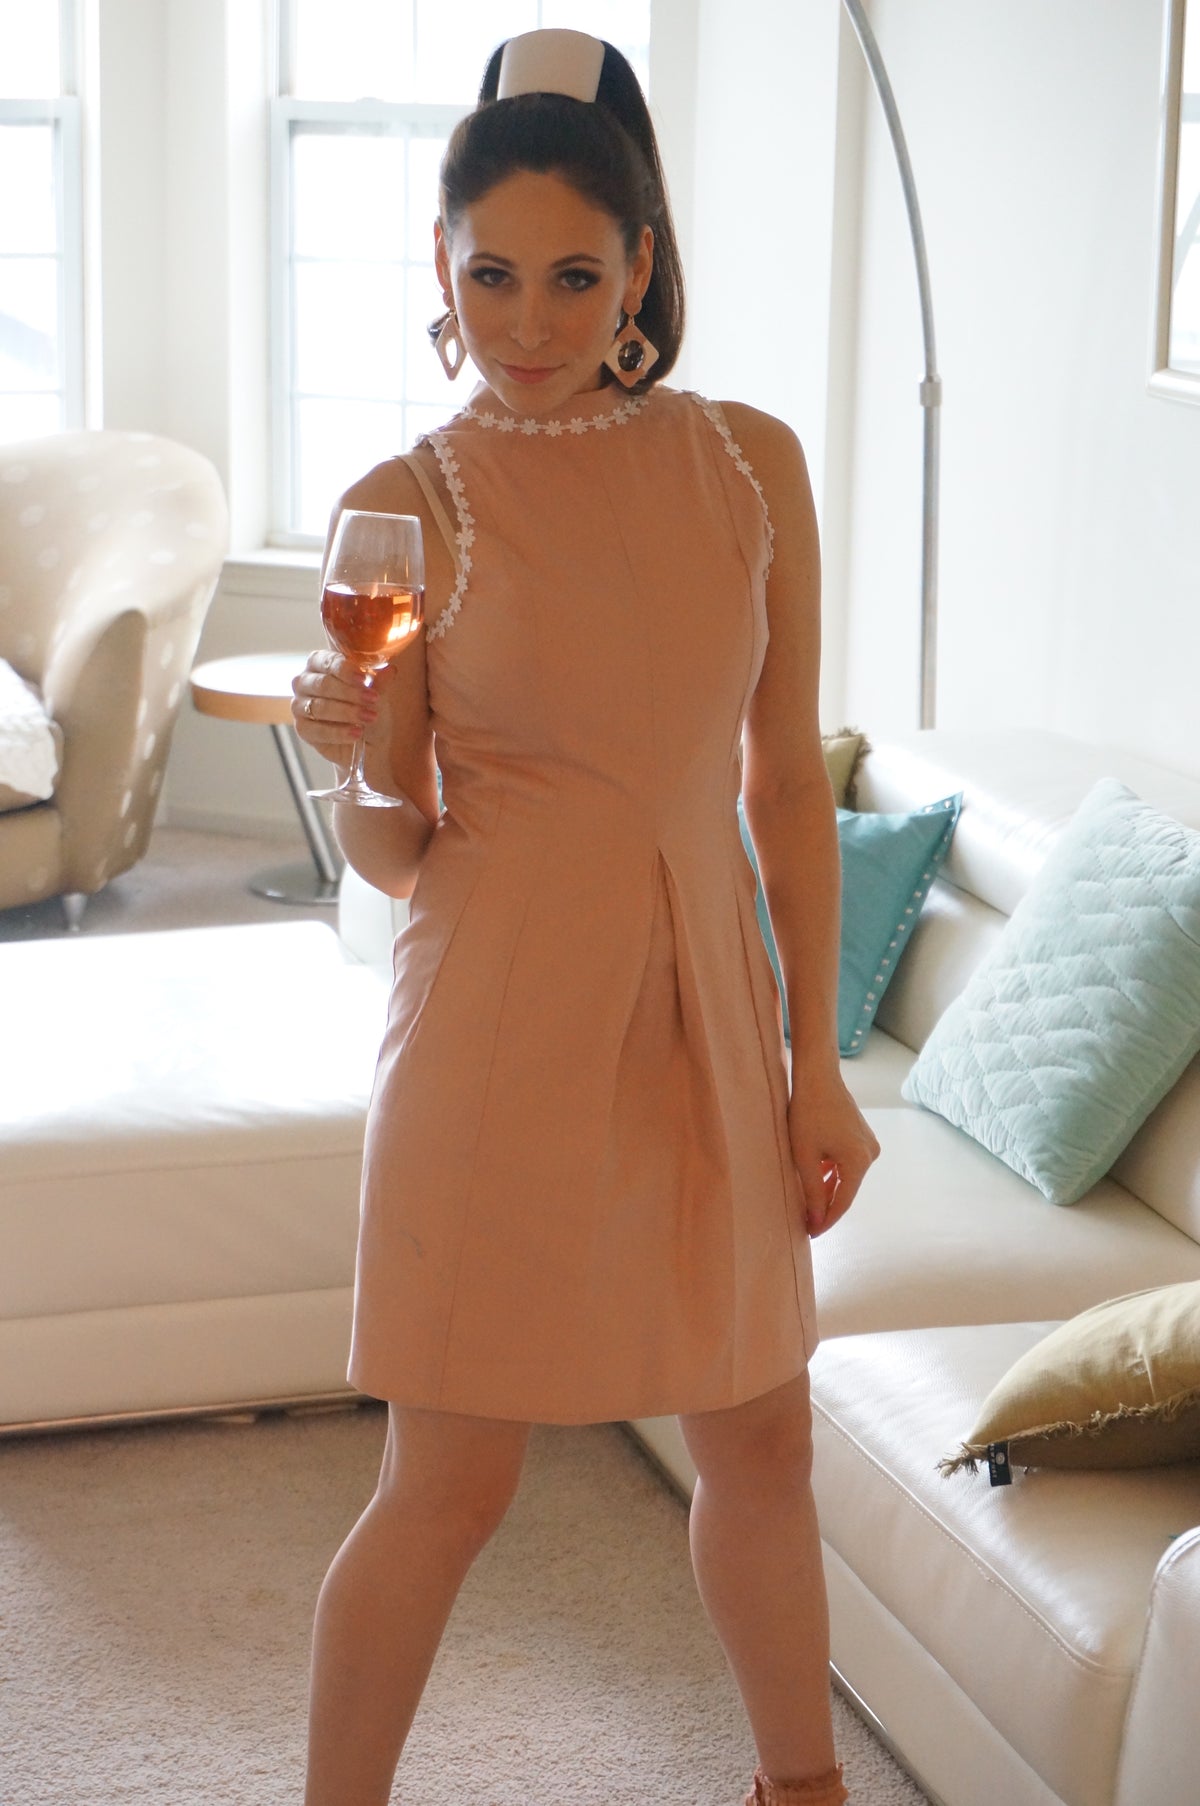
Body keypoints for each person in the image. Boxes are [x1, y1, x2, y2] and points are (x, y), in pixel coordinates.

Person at [291, 27, 879, 1806]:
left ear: (639, 270)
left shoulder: (751, 465)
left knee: (761, 1442)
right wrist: (352, 757)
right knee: (448, 1483)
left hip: (706, 997)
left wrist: (816, 1060)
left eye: (571, 274)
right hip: (497, 1021)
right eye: (490, 276)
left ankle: (806, 1789)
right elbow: (402, 854)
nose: (526, 321)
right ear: (441, 276)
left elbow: (785, 783)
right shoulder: (407, 504)